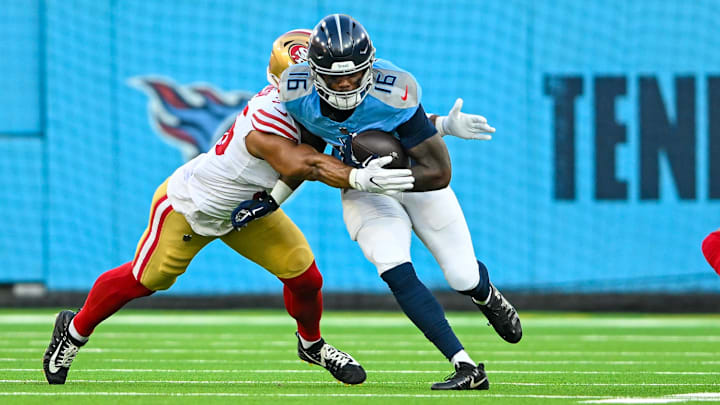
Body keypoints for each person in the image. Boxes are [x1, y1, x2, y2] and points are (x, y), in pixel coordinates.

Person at [41, 29, 415, 386]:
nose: (329, 89)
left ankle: (311, 345)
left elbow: (311, 155)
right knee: (146, 280)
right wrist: (358, 178)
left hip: (249, 209)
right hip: (192, 207)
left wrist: (272, 200)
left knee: (304, 275)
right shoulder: (268, 116)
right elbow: (304, 163)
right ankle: (73, 333)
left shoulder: (323, 105)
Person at [243, 14, 523, 391]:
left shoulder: (395, 88)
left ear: (370, 66)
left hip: (416, 179)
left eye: (353, 75)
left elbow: (439, 171)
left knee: (461, 275)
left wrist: (392, 176)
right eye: (333, 76)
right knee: (392, 265)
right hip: (361, 185)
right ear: (312, 72)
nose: (344, 84)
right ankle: (465, 366)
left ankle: (485, 295)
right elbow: (310, 156)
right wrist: (276, 197)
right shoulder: (297, 93)